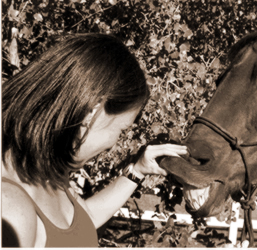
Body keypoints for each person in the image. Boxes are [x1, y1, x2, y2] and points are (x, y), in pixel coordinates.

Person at [1, 33, 188, 247]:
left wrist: (137, 171)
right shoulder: (10, 209)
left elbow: (82, 222)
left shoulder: (48, 176)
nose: (113, 144)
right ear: (93, 111)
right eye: (121, 128)